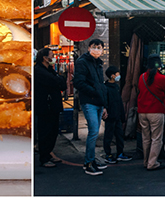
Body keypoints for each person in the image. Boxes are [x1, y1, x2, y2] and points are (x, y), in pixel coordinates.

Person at [73, 39, 109, 176]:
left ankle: (92, 160)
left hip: (99, 102)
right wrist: (95, 92)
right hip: (89, 101)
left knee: (94, 131)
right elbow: (79, 82)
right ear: (89, 48)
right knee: (93, 132)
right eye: (94, 47)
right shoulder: (82, 62)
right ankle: (88, 163)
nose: (97, 50)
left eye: (99, 48)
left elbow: (101, 84)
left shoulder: (98, 63)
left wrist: (104, 104)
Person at [137, 55, 165, 171]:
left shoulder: (141, 77)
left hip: (142, 111)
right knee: (156, 138)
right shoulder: (161, 78)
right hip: (156, 111)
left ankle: (146, 161)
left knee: (146, 138)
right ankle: (152, 163)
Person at [34, 48, 66, 168]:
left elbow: (61, 83)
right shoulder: (39, 70)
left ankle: (48, 154)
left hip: (53, 105)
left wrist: (59, 80)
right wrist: (59, 80)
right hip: (45, 107)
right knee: (45, 132)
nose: (53, 58)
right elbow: (56, 81)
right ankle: (44, 157)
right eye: (52, 55)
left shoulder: (50, 70)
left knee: (53, 131)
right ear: (45, 57)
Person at [102, 66, 130, 164]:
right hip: (110, 116)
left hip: (118, 115)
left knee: (119, 135)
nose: (118, 75)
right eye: (117, 74)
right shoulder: (105, 88)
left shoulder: (116, 87)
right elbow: (105, 102)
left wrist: (122, 115)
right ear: (112, 75)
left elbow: (119, 102)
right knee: (108, 136)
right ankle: (108, 155)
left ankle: (120, 153)